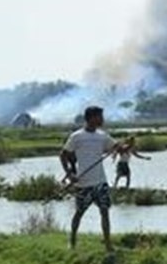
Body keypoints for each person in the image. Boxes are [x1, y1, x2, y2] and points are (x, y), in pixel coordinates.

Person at [60, 106, 120, 252]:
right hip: (83, 183)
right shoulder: (77, 137)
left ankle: (108, 244)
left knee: (104, 211)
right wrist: (70, 173)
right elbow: (63, 155)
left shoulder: (102, 136)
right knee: (79, 213)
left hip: (100, 181)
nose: (102, 120)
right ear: (92, 118)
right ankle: (72, 241)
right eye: (100, 117)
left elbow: (117, 147)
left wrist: (126, 146)